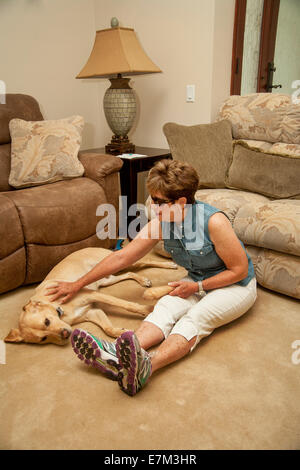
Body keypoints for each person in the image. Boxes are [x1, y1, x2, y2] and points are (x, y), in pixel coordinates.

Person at [46, 159, 257, 397]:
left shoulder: (213, 222)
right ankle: (114, 354)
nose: (152, 206)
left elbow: (238, 270)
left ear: (181, 202)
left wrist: (197, 286)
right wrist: (77, 283)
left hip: (236, 285)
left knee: (193, 319)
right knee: (164, 308)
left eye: (158, 201)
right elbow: (122, 257)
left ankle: (147, 367)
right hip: (196, 280)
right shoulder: (163, 222)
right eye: (152, 199)